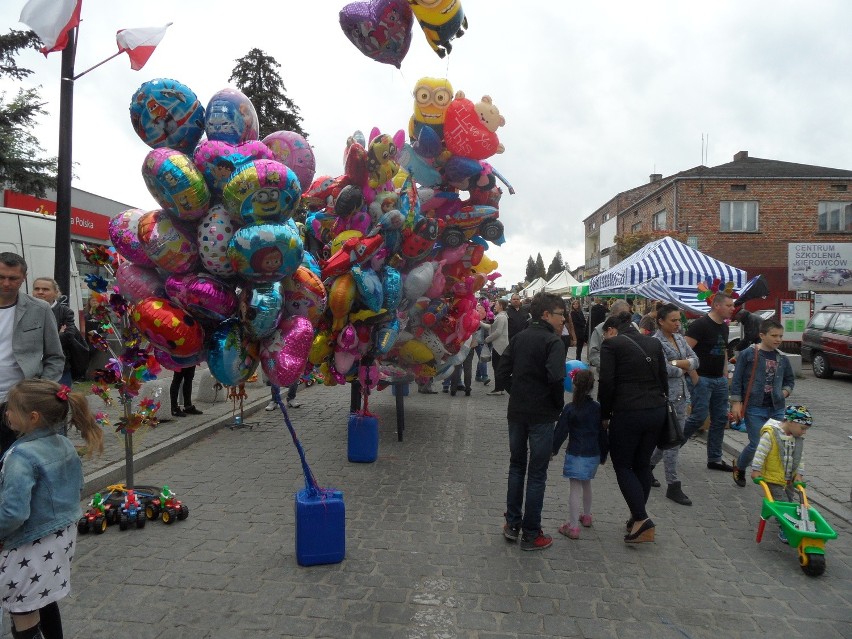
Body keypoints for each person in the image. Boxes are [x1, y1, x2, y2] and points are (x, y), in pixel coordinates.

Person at [0, 378, 104, 639]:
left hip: (28, 544)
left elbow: (13, 513)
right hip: (61, 540)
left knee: (22, 608)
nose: (6, 413)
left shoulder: (21, 457)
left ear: (32, 417)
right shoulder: (64, 444)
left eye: (10, 408)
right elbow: (77, 486)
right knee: (43, 596)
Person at [496, 292, 566, 551]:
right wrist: (557, 406)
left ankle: (513, 524)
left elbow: (502, 372)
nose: (563, 320)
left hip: (517, 412)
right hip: (542, 415)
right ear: (546, 315)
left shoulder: (518, 338)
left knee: (516, 466)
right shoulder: (553, 342)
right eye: (561, 315)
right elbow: (556, 378)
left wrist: (518, 392)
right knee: (537, 474)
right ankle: (531, 533)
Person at [598, 311, 668, 544]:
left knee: (623, 465)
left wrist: (605, 414)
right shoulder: (653, 342)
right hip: (656, 411)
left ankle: (641, 517)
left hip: (628, 412)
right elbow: (663, 378)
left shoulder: (611, 345)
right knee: (642, 465)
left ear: (611, 330)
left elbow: (607, 383)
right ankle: (636, 519)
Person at [0, 253, 65, 457]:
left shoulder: (40, 309)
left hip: (20, 402)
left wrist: (40, 392)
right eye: (1, 277)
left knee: (18, 459)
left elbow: (55, 356)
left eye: (13, 278)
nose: (6, 283)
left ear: (24, 277)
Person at [730, 319, 795, 487]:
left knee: (779, 443)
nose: (778, 339)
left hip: (776, 408)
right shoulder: (749, 354)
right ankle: (740, 467)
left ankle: (774, 476)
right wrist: (736, 402)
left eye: (780, 336)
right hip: (754, 407)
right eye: (774, 335)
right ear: (761, 335)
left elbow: (790, 380)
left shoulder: (782, 358)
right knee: (757, 443)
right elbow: (736, 380)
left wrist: (784, 392)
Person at [681, 290, 737, 472]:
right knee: (698, 417)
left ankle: (714, 458)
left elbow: (724, 350)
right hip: (702, 378)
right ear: (717, 305)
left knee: (720, 418)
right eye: (729, 305)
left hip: (719, 380)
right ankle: (670, 448)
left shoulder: (725, 326)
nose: (732, 309)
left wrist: (725, 373)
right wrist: (695, 377)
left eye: (733, 305)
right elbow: (684, 352)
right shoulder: (700, 325)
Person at [648, 304, 699, 506]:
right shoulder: (655, 341)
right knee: (672, 440)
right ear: (661, 321)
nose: (678, 324)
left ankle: (648, 466)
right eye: (673, 320)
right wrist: (682, 366)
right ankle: (673, 483)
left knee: (672, 438)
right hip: (665, 397)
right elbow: (663, 368)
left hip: (682, 397)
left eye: (679, 320)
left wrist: (679, 363)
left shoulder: (679, 339)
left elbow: (695, 361)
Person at [552, 369, 606, 540]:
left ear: (574, 385)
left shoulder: (570, 409)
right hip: (593, 454)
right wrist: (604, 453)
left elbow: (560, 432)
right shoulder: (598, 408)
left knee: (574, 489)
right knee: (587, 484)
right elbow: (603, 434)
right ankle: (587, 515)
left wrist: (552, 450)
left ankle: (573, 526)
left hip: (576, 453)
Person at [750, 405, 812, 543]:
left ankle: (785, 520)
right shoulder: (771, 434)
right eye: (803, 429)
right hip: (773, 478)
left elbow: (799, 457)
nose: (804, 432)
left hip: (789, 478)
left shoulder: (796, 439)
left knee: (789, 501)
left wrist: (799, 474)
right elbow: (760, 452)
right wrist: (756, 469)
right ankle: (786, 528)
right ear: (791, 421)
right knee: (781, 502)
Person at [32, 278, 85, 387]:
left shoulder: (65, 312)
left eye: (45, 289)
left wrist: (40, 340)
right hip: (32, 367)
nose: (40, 292)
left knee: (59, 401)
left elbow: (68, 336)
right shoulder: (27, 310)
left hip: (59, 368)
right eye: (37, 289)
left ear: (56, 293)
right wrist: (57, 334)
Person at [587, 299, 632, 374]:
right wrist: (608, 365)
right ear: (614, 314)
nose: (626, 318)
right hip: (607, 374)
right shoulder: (600, 329)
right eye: (624, 315)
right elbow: (593, 354)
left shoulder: (631, 327)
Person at [485, 299, 510, 396]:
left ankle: (498, 388)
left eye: (497, 304)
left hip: (500, 346)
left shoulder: (501, 317)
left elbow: (498, 332)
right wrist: (479, 322)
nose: (495, 305)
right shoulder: (500, 316)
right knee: (498, 367)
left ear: (501, 306)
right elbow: (491, 327)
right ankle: (500, 387)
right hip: (499, 345)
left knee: (497, 367)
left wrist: (488, 339)